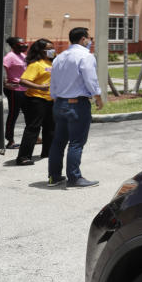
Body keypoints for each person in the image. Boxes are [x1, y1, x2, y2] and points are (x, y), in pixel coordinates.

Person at [48, 27, 103, 188]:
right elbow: (90, 79)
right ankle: (74, 178)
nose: (90, 41)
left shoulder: (60, 57)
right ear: (83, 39)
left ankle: (54, 177)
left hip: (60, 103)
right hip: (77, 104)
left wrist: (55, 99)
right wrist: (98, 97)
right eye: (89, 38)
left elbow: (54, 82)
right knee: (76, 143)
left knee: (58, 142)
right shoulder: (85, 56)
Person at [15, 39, 56, 166]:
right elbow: (23, 81)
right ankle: (23, 157)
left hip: (50, 99)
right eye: (48, 48)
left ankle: (47, 152)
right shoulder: (36, 64)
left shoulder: (51, 63)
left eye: (52, 48)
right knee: (33, 128)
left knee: (50, 127)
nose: (52, 51)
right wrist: (39, 87)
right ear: (40, 51)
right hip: (36, 99)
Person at [2, 36, 28, 149]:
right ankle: (10, 140)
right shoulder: (9, 57)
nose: (24, 46)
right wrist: (5, 83)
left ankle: (34, 137)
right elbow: (2, 70)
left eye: (24, 43)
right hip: (14, 90)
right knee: (13, 114)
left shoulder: (23, 56)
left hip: (25, 89)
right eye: (20, 44)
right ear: (13, 46)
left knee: (30, 114)